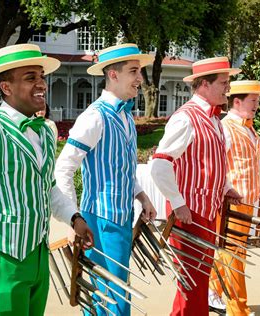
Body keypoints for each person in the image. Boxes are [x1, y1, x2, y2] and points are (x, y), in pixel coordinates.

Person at [0, 43, 93, 315]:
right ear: (6, 87)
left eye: (41, 77)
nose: (41, 84)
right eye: (30, 77)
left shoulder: (45, 131)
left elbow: (49, 188)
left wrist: (74, 217)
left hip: (36, 255)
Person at [55, 43, 157, 315]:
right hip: (99, 221)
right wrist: (72, 218)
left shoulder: (125, 114)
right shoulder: (94, 117)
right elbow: (63, 168)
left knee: (116, 293)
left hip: (121, 219)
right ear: (113, 74)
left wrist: (141, 195)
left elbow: (123, 166)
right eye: (133, 71)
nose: (139, 78)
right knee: (109, 298)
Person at [150, 57, 243, 316]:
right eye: (224, 83)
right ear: (204, 84)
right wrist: (178, 204)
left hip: (206, 211)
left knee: (198, 280)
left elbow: (212, 161)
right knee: (192, 282)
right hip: (189, 214)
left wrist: (225, 187)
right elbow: (159, 165)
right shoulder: (186, 119)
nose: (228, 88)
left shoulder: (214, 119)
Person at [209, 80, 260, 316]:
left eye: (257, 100)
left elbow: (251, 163)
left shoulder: (248, 127)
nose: (257, 105)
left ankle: (213, 292)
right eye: (253, 101)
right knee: (235, 255)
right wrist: (227, 191)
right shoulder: (226, 127)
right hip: (233, 203)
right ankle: (238, 310)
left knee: (230, 251)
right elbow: (217, 165)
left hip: (247, 201)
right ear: (237, 101)